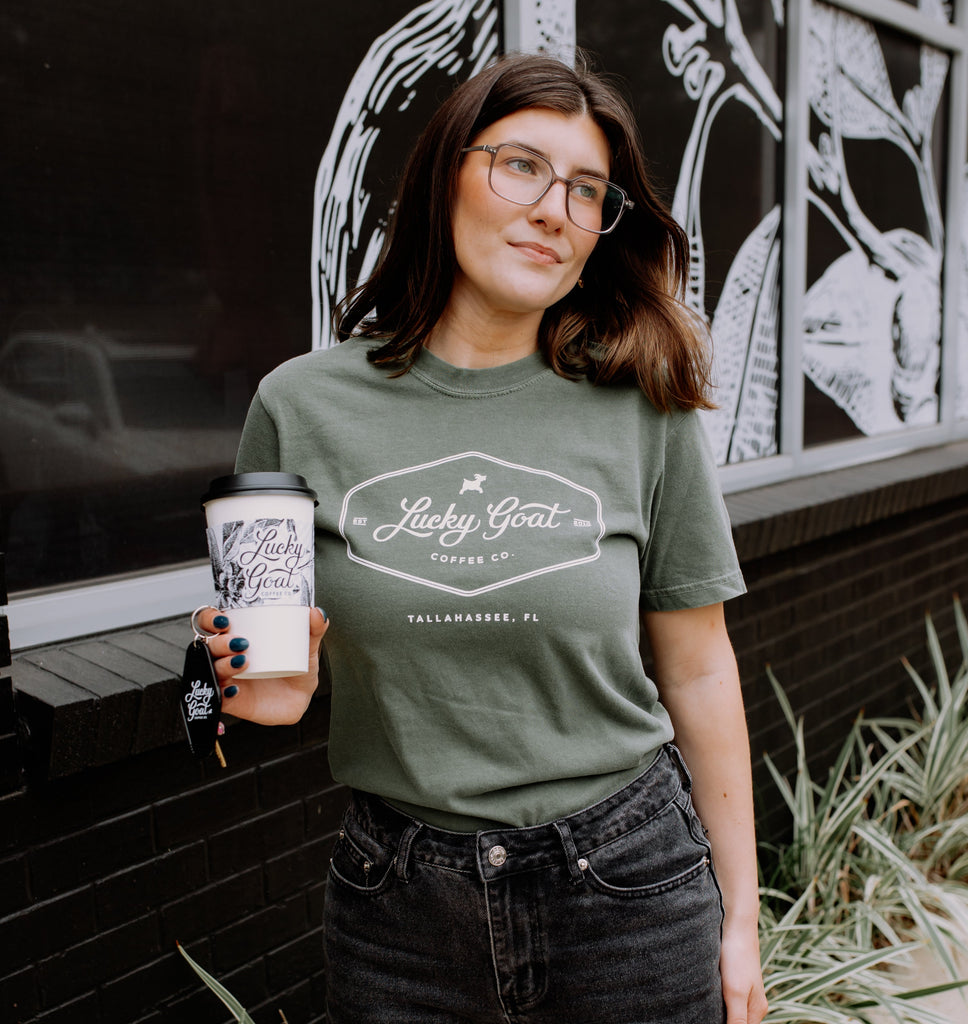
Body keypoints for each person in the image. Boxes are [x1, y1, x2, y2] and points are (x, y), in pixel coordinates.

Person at [199, 52, 768, 1024]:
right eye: (522, 166)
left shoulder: (643, 405)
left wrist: (741, 922)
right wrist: (242, 687)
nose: (555, 208)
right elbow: (251, 674)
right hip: (402, 906)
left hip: (628, 881)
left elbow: (701, 667)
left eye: (588, 192)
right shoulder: (298, 408)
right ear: (445, 175)